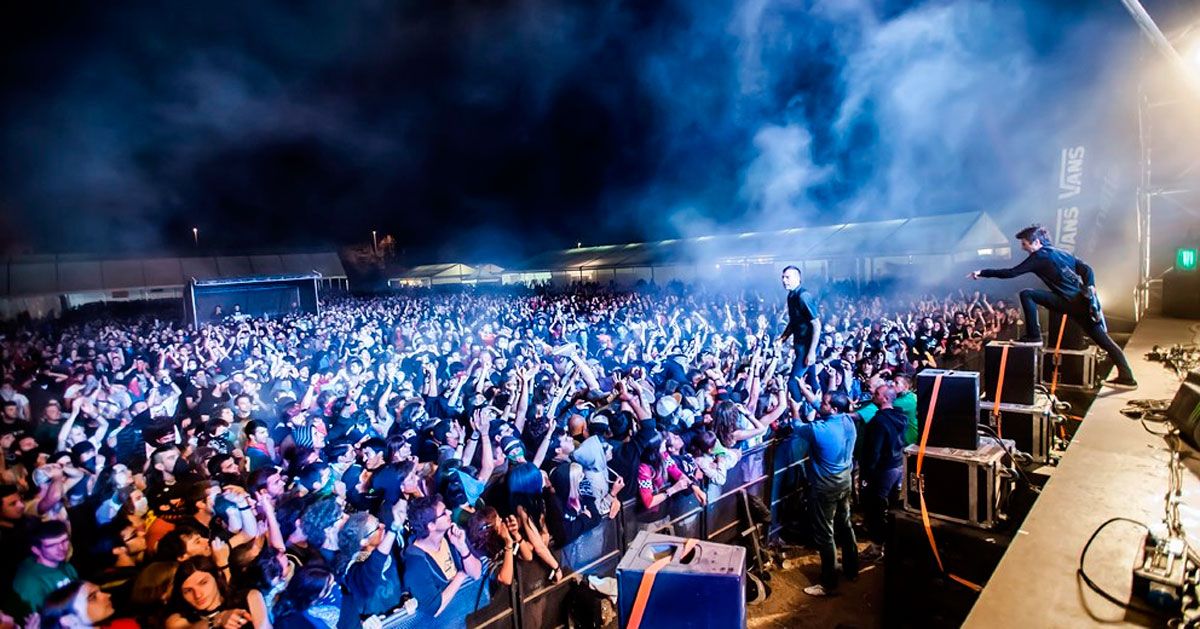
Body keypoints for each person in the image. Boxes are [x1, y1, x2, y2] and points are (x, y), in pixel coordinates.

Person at [968, 224, 1137, 389]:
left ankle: (1034, 336)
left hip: (1068, 302)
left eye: (1024, 243)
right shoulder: (1061, 252)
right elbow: (1087, 270)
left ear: (1036, 242)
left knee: (1027, 294)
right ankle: (1127, 377)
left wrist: (982, 273)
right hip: (1082, 304)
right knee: (1104, 341)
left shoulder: (1039, 257)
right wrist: (1090, 288)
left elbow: (1011, 273)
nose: (1022, 247)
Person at [795, 392, 858, 597]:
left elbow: (798, 426)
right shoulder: (848, 420)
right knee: (845, 524)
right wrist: (805, 392)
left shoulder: (819, 429)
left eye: (824, 403)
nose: (820, 403)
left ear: (834, 409)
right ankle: (851, 569)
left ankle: (828, 582)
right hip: (844, 480)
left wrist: (795, 408)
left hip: (825, 486)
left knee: (825, 533)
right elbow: (825, 408)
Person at [12, 521, 79, 616]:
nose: (62, 548)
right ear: (36, 550)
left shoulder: (64, 565)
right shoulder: (30, 583)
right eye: (52, 545)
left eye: (64, 541)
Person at [779, 266, 822, 405]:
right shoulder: (791, 295)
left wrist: (811, 352)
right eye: (783, 277)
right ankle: (820, 406)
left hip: (807, 347)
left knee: (793, 382)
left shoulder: (803, 296)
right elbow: (794, 322)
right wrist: (782, 338)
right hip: (800, 346)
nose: (784, 280)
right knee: (811, 379)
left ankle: (798, 408)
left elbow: (816, 324)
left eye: (787, 277)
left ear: (798, 278)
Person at [37, 580, 140, 628]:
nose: (107, 595)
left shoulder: (126, 625)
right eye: (92, 597)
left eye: (101, 591)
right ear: (68, 620)